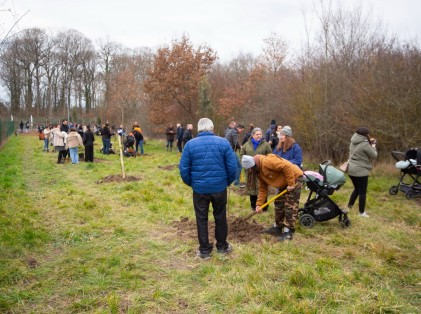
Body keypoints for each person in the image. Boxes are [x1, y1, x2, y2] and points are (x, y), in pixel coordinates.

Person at [179, 118, 237, 260]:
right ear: (212, 128)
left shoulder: (190, 145)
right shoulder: (223, 143)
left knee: (201, 219)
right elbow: (232, 167)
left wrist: (193, 183)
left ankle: (205, 251)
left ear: (198, 129)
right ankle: (222, 247)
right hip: (219, 188)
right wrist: (226, 182)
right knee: (220, 217)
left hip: (200, 189)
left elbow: (184, 169)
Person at [241, 154, 304, 241]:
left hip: (294, 178)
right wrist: (259, 204)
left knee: (290, 206)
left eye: (250, 169)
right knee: (279, 204)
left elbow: (285, 166)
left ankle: (288, 231)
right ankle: (278, 227)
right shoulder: (259, 172)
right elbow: (263, 189)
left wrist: (291, 183)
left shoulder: (267, 161)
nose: (250, 171)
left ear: (254, 165)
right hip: (284, 182)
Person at [347, 127, 378, 218]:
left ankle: (349, 207)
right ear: (365, 135)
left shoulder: (353, 141)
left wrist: (369, 144)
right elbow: (374, 156)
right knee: (362, 192)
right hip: (361, 171)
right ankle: (361, 213)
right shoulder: (365, 144)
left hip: (351, 170)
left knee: (357, 189)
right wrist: (373, 146)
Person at [240, 127, 272, 211]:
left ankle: (264, 207)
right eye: (257, 134)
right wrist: (245, 163)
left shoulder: (266, 145)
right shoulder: (247, 145)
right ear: (253, 135)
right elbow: (241, 156)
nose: (259, 136)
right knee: (252, 187)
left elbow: (270, 156)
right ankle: (253, 206)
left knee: (262, 187)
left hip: (262, 170)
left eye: (260, 134)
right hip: (250, 171)